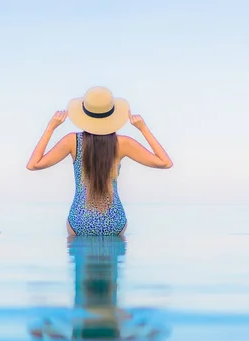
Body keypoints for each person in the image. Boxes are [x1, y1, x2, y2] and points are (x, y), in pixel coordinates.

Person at [26, 86, 173, 236]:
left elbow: (33, 164)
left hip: (80, 221)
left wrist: (51, 127)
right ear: (112, 115)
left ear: (84, 114)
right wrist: (143, 128)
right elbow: (165, 162)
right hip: (114, 222)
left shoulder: (73, 141)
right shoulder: (122, 143)